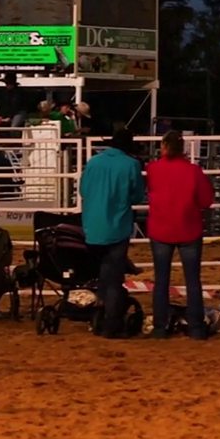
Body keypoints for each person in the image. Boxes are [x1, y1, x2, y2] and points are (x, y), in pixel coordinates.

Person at [144, 130, 214, 340]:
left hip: (161, 229)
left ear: (164, 147)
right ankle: (196, 328)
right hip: (189, 229)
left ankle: (160, 327)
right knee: (193, 281)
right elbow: (206, 201)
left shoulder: (153, 169)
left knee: (161, 280)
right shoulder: (193, 171)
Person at [79, 125, 147, 339]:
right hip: (117, 227)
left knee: (100, 274)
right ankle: (111, 324)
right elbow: (137, 196)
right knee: (114, 279)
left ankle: (97, 315)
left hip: (92, 227)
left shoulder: (93, 162)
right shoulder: (131, 164)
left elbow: (83, 190)